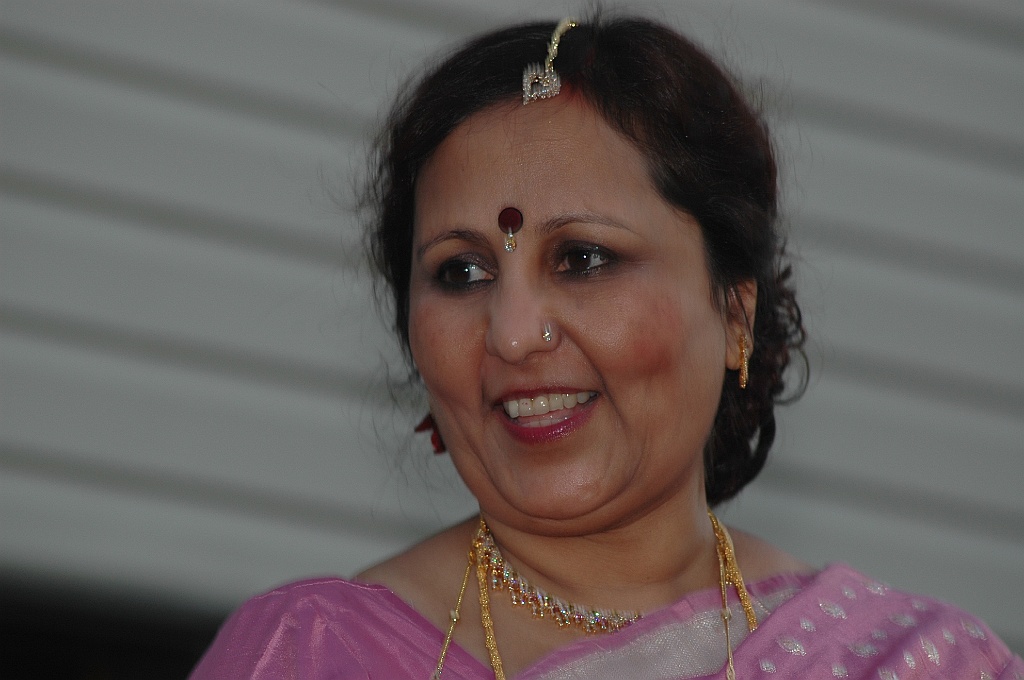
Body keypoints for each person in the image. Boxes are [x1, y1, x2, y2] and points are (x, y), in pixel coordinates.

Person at [189, 14, 1023, 679]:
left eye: (583, 259)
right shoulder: (307, 657)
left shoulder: (912, 663)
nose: (514, 333)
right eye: (462, 272)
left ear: (736, 312)